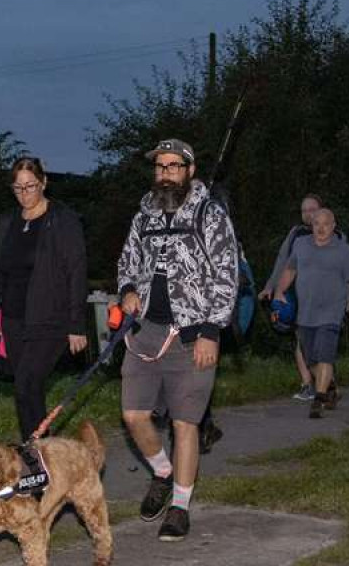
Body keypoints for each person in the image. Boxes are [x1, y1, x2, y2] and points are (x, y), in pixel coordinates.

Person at [117, 138, 238, 542]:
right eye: (160, 166)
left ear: (189, 170)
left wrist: (210, 330)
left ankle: (181, 507)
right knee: (134, 416)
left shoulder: (210, 214)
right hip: (146, 330)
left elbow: (227, 275)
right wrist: (128, 290)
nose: (165, 172)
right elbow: (126, 263)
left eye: (173, 165)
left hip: (193, 334)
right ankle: (163, 473)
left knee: (186, 423)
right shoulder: (142, 216)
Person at [0, 156, 88, 440]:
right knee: (27, 392)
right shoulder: (8, 222)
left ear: (44, 182)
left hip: (50, 320)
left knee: (26, 384)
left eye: (30, 186)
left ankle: (39, 457)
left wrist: (77, 324)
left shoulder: (62, 219)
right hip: (14, 321)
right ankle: (42, 460)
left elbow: (76, 272)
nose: (24, 193)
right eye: (18, 188)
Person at [274, 208, 349, 419]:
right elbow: (290, 269)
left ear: (333, 226)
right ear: (311, 226)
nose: (321, 228)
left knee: (325, 355)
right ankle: (329, 386)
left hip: (331, 313)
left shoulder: (344, 251)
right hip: (306, 313)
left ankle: (319, 399)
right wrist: (279, 291)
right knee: (311, 358)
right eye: (317, 224)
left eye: (325, 224)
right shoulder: (301, 245)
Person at [258, 194, 322, 401]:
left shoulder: (332, 233)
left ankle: (324, 382)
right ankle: (307, 384)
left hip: (322, 294)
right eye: (304, 211)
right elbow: (282, 260)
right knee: (300, 337)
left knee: (318, 339)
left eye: (312, 209)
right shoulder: (296, 233)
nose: (308, 214)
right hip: (295, 291)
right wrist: (270, 287)